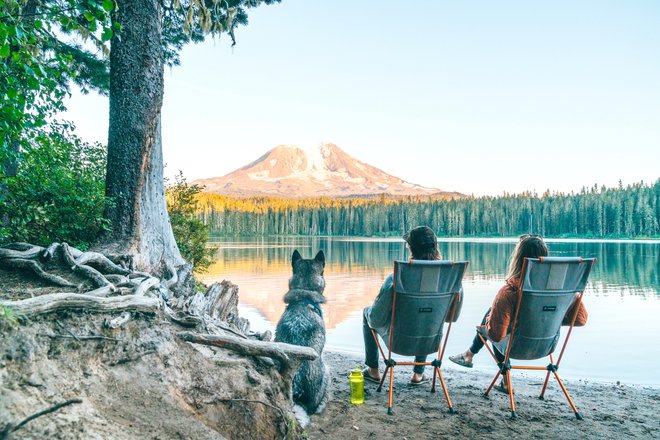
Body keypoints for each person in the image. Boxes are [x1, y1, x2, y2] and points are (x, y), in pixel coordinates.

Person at [448, 234, 588, 393]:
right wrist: (548, 319)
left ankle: (499, 376)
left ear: (517, 258)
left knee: (494, 321)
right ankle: (469, 355)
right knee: (497, 317)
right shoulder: (563, 289)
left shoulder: (510, 291)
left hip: (517, 346)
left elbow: (495, 335)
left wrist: (488, 322)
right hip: (547, 345)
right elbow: (580, 319)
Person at [362, 226, 463, 385]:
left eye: (407, 244)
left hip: (398, 342)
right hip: (431, 342)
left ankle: (373, 371)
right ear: (436, 247)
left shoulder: (397, 278)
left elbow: (375, 320)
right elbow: (452, 317)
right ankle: (418, 374)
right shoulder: (451, 280)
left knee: (367, 313)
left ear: (410, 247)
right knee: (428, 317)